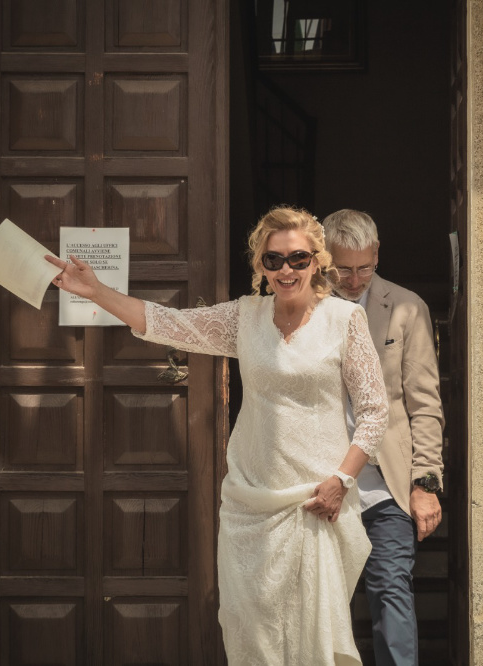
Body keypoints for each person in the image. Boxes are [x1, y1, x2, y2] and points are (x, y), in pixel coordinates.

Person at [46, 206, 388, 665]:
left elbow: (374, 411)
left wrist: (341, 482)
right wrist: (95, 290)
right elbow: (167, 323)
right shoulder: (243, 318)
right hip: (250, 501)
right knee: (251, 627)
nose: (286, 270)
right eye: (273, 260)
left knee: (313, 635)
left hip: (315, 500)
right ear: (260, 266)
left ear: (317, 261)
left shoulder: (345, 321)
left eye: (298, 259)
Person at [322, 209, 445, 666]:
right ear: (323, 257)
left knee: (392, 592)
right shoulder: (302, 306)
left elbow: (424, 403)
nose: (354, 280)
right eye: (342, 269)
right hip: (321, 481)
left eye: (364, 268)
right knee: (320, 605)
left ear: (377, 254)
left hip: (386, 486)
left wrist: (425, 483)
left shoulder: (407, 307)